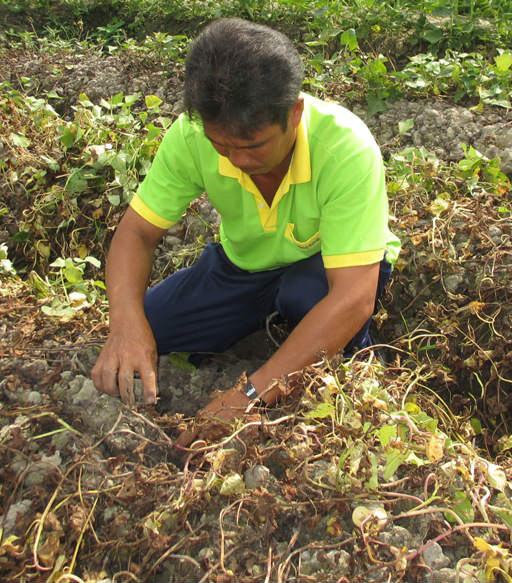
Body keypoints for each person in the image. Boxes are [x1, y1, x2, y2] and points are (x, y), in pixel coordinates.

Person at [91, 18, 400, 448]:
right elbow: (136, 233)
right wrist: (125, 325)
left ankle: (359, 357)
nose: (236, 160)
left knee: (307, 299)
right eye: (222, 147)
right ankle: (266, 324)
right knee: (152, 325)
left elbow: (352, 297)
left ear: (294, 113)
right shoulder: (192, 135)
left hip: (326, 270)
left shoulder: (346, 147)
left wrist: (249, 396)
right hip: (245, 263)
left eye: (253, 146)